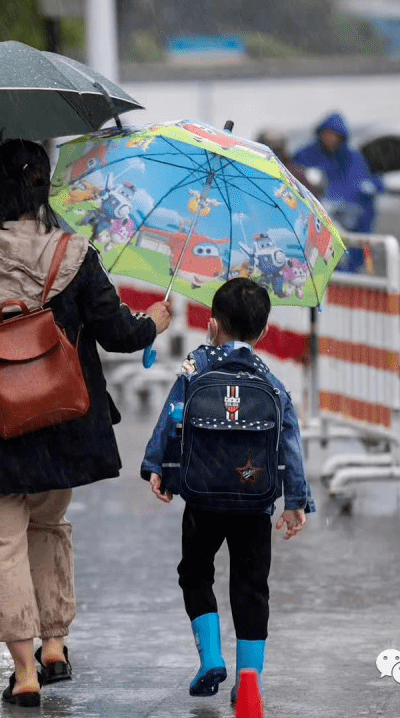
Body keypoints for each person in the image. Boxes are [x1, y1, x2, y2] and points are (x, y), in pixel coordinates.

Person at [0, 139, 172, 707]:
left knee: (0, 543)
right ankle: (56, 643)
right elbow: (118, 333)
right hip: (60, 424)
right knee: (48, 527)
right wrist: (154, 322)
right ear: (46, 193)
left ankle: (26, 671)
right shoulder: (75, 255)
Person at [140, 278, 315, 703]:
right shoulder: (270, 382)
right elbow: (289, 440)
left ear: (212, 324)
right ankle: (250, 678)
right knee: (251, 585)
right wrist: (296, 500)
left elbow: (172, 416)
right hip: (255, 505)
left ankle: (212, 657)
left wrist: (155, 466)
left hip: (202, 499)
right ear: (264, 333)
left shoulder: (195, 368)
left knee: (196, 573)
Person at [294, 112, 382, 271]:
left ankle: (355, 268)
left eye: (335, 135)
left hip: (348, 220)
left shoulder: (352, 158)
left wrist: (371, 188)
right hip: (316, 218)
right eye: (328, 134)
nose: (331, 138)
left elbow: (362, 183)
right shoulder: (306, 155)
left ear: (342, 137)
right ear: (321, 133)